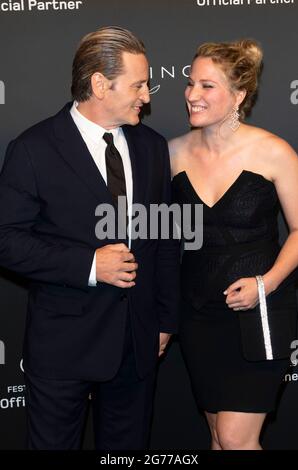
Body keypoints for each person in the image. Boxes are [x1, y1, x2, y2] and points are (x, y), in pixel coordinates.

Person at [0, 26, 180, 450]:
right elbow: (5, 239)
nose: (148, 96)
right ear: (100, 83)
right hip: (64, 345)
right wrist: (88, 266)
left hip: (137, 342)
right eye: (138, 84)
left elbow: (166, 238)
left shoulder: (152, 147)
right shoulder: (34, 148)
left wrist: (166, 320)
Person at [169, 39, 298, 450]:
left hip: (259, 313)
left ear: (239, 94)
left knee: (235, 439)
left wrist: (267, 282)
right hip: (198, 315)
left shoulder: (273, 151)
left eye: (207, 86)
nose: (192, 94)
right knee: (217, 439)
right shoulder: (170, 153)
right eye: (191, 84)